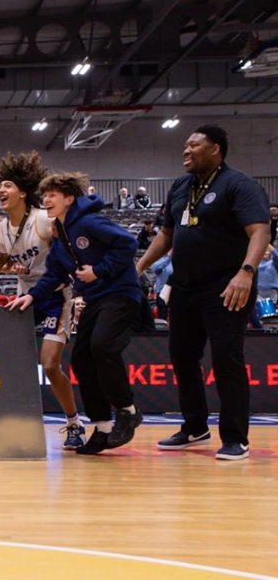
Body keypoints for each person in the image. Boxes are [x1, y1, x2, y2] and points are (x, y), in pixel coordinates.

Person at [136, 125, 270, 461]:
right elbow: (166, 235)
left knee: (226, 358)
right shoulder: (181, 186)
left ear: (216, 149)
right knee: (182, 356)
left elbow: (260, 231)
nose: (186, 150)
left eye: (194, 145)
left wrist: (246, 272)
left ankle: (236, 438)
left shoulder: (239, 185)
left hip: (226, 286)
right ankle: (195, 427)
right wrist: (138, 266)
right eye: (185, 145)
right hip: (184, 286)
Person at [9, 173, 143, 455]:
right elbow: (53, 275)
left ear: (69, 199)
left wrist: (99, 270)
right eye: (44, 195)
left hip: (120, 293)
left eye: (53, 195)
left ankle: (128, 411)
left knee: (102, 346)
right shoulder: (60, 238)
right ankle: (103, 427)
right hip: (95, 299)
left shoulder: (89, 222)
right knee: (81, 360)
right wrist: (32, 296)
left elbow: (128, 243)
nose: (46, 200)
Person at [0, 151, 84, 449]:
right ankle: (8, 420)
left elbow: (64, 260)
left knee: (50, 364)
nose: (1, 190)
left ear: (23, 193)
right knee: (7, 360)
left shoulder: (43, 220)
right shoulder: (2, 228)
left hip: (55, 296)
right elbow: (6, 263)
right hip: (25, 296)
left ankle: (74, 422)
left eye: (7, 186)